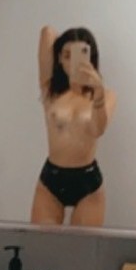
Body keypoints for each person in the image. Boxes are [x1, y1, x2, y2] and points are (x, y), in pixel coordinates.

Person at [30, 25, 116, 227]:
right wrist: (72, 39)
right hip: (52, 178)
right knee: (40, 243)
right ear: (59, 58)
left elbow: (97, 129)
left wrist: (98, 92)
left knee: (83, 245)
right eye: (66, 55)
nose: (72, 62)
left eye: (80, 55)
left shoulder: (106, 95)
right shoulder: (50, 90)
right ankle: (69, 48)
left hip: (87, 182)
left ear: (91, 58)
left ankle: (77, 50)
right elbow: (47, 32)